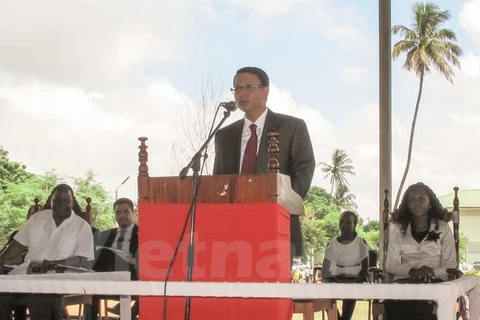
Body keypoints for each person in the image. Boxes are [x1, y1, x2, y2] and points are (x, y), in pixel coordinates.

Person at [213, 66, 316, 259]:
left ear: (265, 91)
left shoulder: (292, 127)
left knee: (273, 289)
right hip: (233, 231)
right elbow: (218, 181)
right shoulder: (224, 135)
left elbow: (304, 170)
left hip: (277, 225)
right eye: (237, 89)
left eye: (248, 87)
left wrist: (278, 199)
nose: (241, 94)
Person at [0, 184, 95, 320]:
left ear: (72, 202)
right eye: (57, 200)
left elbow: (82, 259)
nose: (61, 204)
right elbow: (18, 245)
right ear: (51, 201)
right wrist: (2, 259)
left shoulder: (82, 226)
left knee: (39, 298)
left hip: (58, 279)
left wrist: (52, 265)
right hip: (26, 275)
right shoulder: (37, 218)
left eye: (66, 201)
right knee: (1, 294)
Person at [385, 182, 457, 320]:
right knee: (394, 302)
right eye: (411, 200)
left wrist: (431, 271)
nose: (416, 203)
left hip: (435, 282)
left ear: (430, 203)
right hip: (405, 282)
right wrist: (413, 271)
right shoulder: (398, 229)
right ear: (407, 204)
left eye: (421, 198)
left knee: (422, 305)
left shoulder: (442, 228)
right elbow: (391, 265)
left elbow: (451, 264)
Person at [92, 197, 139, 320]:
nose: (122, 215)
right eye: (118, 212)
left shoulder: (141, 233)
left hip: (132, 276)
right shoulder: (104, 235)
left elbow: (146, 260)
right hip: (106, 276)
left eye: (126, 212)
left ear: (133, 213)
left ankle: (129, 315)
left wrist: (132, 260)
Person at [322, 211, 369, 320]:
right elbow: (325, 270)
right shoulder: (331, 244)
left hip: (355, 282)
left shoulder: (361, 243)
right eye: (342, 222)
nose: (344, 225)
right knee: (324, 293)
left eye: (348, 222)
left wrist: (352, 281)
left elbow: (364, 270)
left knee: (350, 289)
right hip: (335, 280)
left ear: (354, 225)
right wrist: (335, 280)